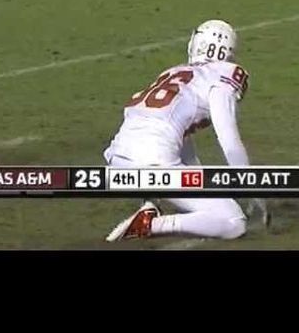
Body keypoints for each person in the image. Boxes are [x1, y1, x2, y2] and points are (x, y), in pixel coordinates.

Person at [103, 19, 268, 242]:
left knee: (167, 145)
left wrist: (202, 185)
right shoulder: (223, 76)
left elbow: (183, 146)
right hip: (153, 163)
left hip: (117, 162)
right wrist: (252, 189)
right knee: (234, 223)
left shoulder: (174, 72)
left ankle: (149, 203)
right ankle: (150, 224)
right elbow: (229, 139)